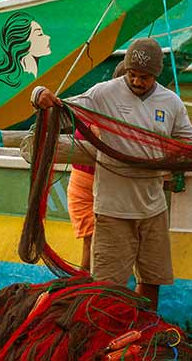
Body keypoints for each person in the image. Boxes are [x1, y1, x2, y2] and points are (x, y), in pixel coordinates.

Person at [32, 38, 192, 310]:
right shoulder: (103, 94)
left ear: (156, 75)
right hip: (113, 209)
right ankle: (106, 335)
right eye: (132, 75)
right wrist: (40, 95)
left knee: (152, 279)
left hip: (153, 209)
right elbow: (61, 108)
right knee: (107, 286)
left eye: (144, 77)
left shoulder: (170, 103)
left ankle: (143, 330)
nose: (137, 81)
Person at [67, 62, 126, 271]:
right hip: (87, 185)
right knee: (92, 244)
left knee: (105, 245)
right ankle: (84, 289)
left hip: (111, 185)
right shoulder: (100, 104)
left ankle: (88, 288)